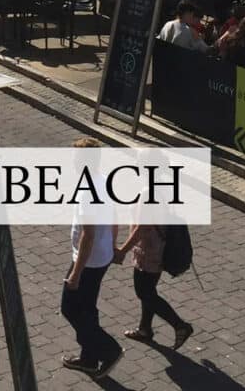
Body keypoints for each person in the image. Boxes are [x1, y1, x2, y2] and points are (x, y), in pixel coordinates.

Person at [61, 136, 122, 378]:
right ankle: (88, 358)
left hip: (88, 260)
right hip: (102, 256)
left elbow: (88, 235)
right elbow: (114, 215)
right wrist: (115, 245)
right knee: (87, 307)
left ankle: (109, 349)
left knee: (70, 308)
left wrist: (76, 273)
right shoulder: (103, 180)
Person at [114, 227, 193, 350]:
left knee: (144, 292)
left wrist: (122, 251)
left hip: (149, 249)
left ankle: (180, 326)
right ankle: (144, 328)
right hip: (156, 245)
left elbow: (143, 226)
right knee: (148, 290)